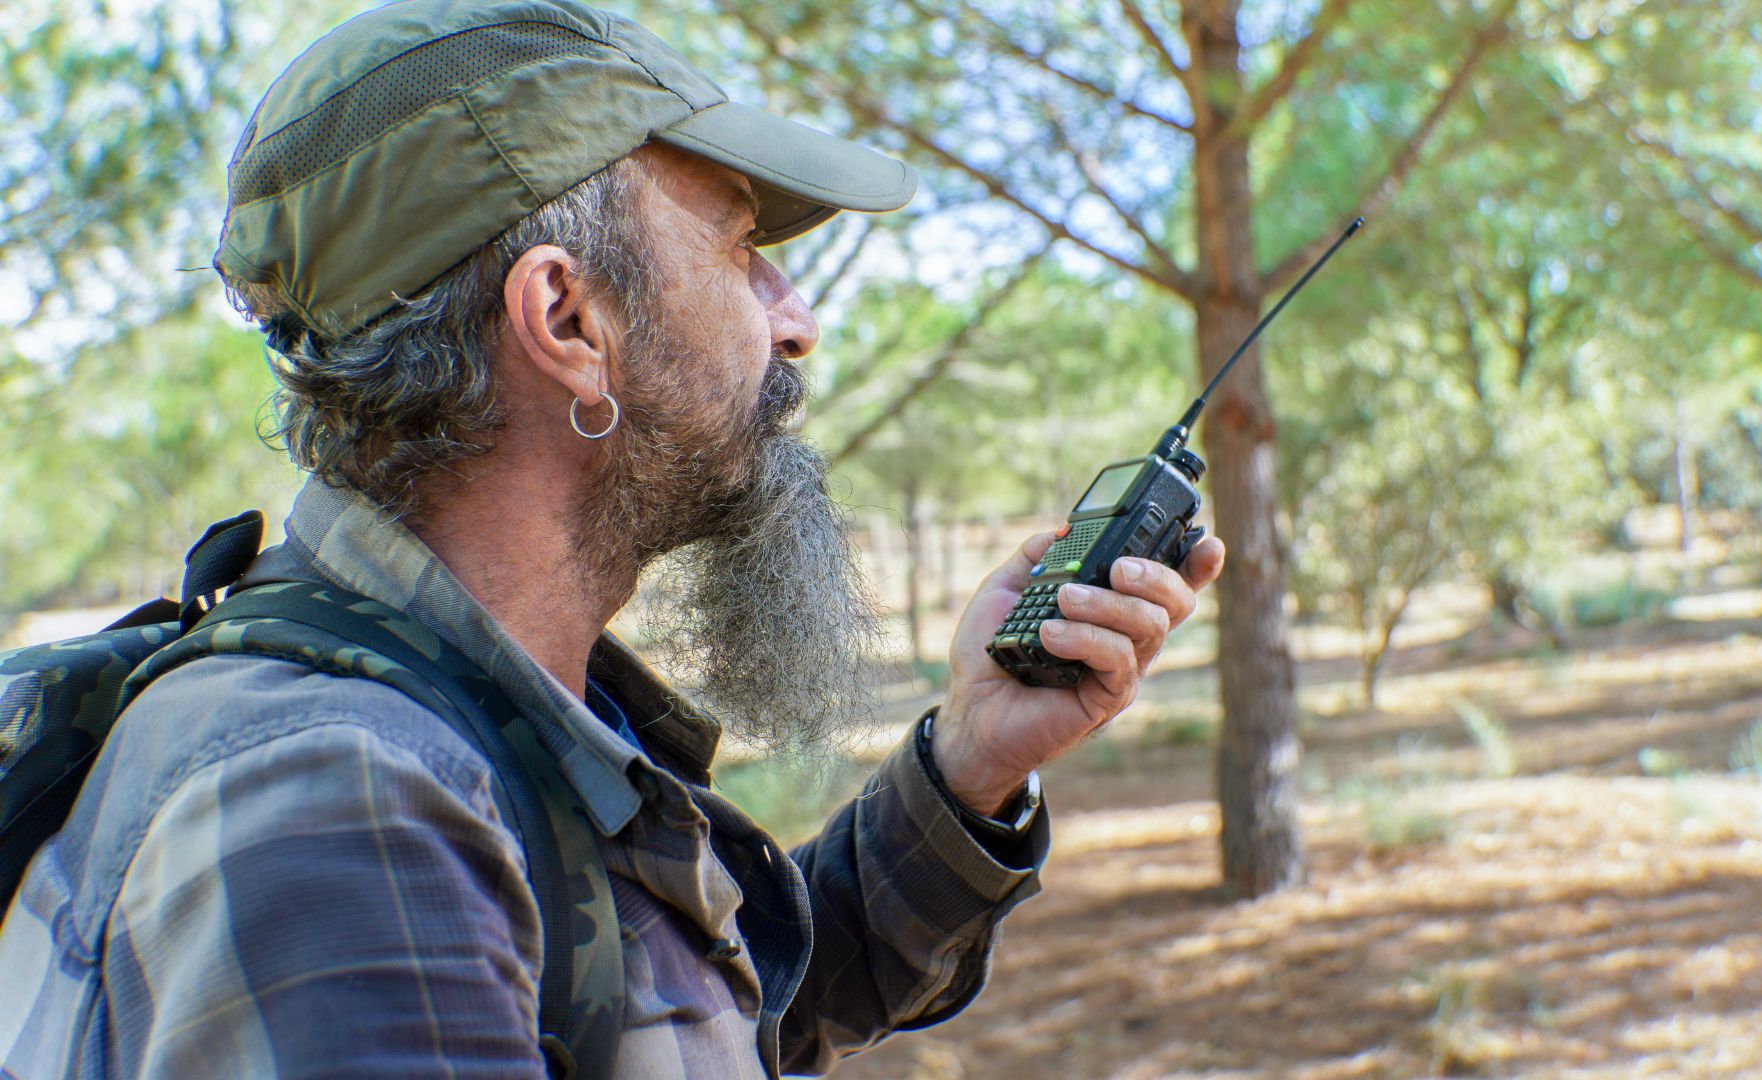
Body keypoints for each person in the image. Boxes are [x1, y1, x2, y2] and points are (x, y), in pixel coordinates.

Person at [0, 1, 1225, 1076]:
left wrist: (968, 767)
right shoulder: (343, 818)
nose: (796, 320)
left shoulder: (476, 719)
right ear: (568, 318)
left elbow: (724, 1019)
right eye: (741, 249)